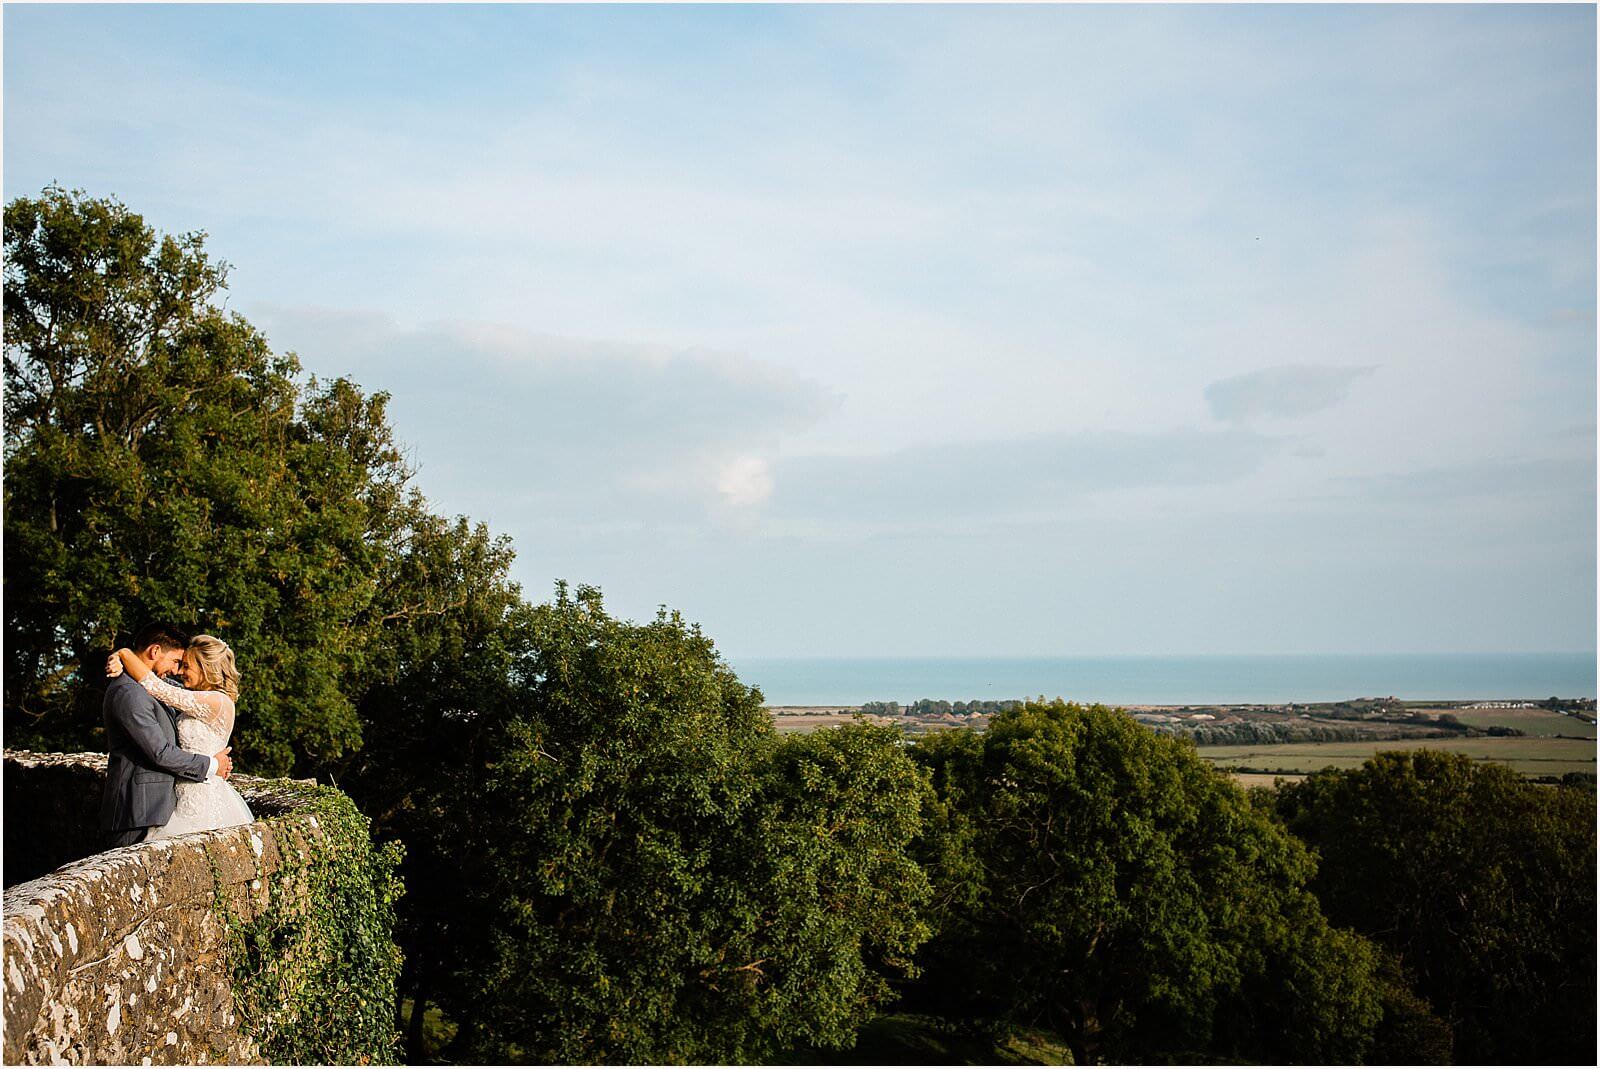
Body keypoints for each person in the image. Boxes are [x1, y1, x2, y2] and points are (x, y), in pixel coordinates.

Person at [105, 632, 255, 840]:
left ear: (206, 668)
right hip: (182, 794)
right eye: (179, 663)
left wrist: (124, 653)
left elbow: (155, 687)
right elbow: (162, 687)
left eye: (186, 666)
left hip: (201, 795)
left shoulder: (217, 701)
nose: (179, 671)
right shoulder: (195, 696)